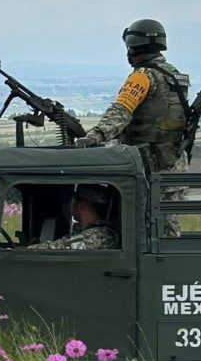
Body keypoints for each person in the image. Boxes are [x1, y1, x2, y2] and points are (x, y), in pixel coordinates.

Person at [81, 18, 190, 236]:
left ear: (134, 47)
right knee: (166, 231)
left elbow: (121, 110)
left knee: (137, 232)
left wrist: (94, 136)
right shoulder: (176, 76)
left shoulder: (143, 76)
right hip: (173, 165)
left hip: (147, 165)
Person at [29, 184, 119, 250]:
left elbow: (62, 248)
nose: (72, 205)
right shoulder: (86, 230)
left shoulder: (101, 235)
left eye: (74, 201)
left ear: (83, 205)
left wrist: (27, 249)